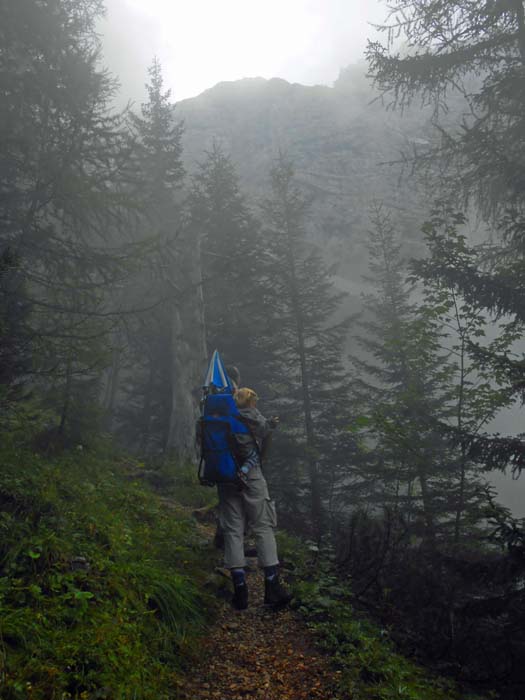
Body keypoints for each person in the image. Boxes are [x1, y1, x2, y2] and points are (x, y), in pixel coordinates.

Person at [218, 386, 291, 610]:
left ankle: (240, 592)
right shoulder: (253, 417)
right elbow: (263, 433)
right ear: (250, 402)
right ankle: (272, 587)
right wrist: (271, 424)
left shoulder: (219, 420)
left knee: (233, 530)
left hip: (226, 479)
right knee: (263, 526)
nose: (256, 404)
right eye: (254, 400)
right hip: (252, 477)